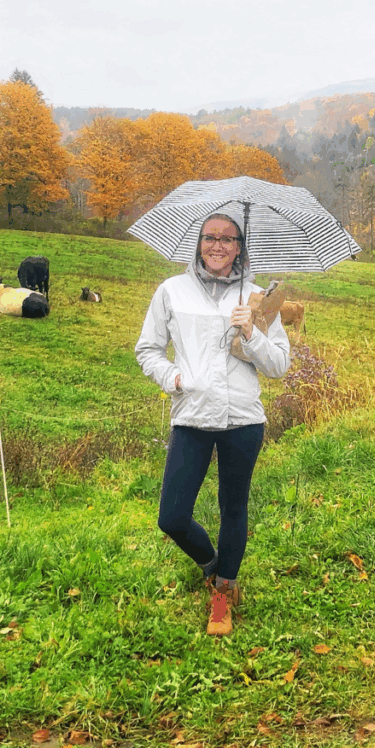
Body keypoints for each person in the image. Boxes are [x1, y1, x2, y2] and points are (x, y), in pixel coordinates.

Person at [135, 207, 291, 636]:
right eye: (210, 237)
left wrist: (252, 332)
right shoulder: (171, 291)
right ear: (198, 243)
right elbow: (147, 349)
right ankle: (211, 565)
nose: (218, 245)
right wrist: (172, 377)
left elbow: (279, 365)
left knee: (232, 507)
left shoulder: (258, 297)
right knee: (172, 516)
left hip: (243, 420)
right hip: (191, 417)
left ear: (240, 247)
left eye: (228, 239)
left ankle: (223, 592)